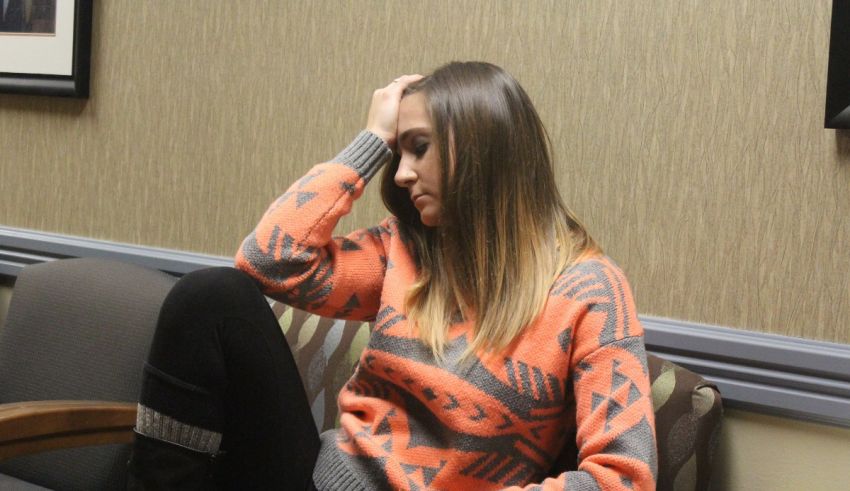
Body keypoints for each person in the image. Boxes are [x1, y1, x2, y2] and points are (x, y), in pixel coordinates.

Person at [127, 61, 657, 490]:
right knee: (210, 297)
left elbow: (623, 479)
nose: (401, 174)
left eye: (418, 147)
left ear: (480, 146)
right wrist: (371, 139)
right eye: (397, 151)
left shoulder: (590, 290)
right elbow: (270, 259)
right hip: (321, 482)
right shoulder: (404, 249)